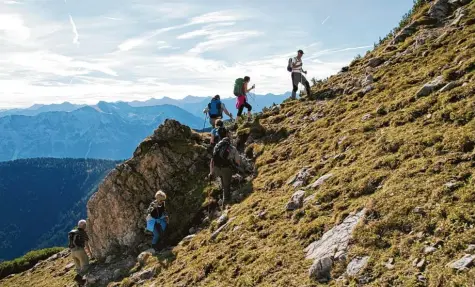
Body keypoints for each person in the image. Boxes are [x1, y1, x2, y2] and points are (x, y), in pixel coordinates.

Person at [209, 127, 242, 205]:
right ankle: (226, 205)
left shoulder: (216, 146)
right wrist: (237, 165)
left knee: (222, 180)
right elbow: (238, 161)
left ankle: (220, 200)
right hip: (226, 169)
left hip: (216, 168)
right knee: (226, 187)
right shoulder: (232, 148)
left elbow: (212, 160)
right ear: (228, 135)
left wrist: (211, 172)